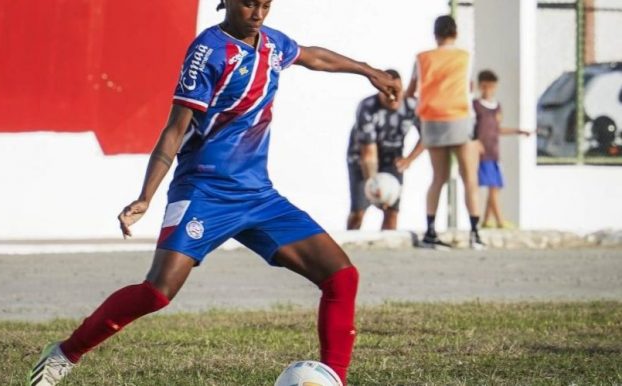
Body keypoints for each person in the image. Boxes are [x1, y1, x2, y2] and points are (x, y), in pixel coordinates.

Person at [28, 1, 399, 385]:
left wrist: (369, 71)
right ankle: (62, 355)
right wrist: (146, 196)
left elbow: (313, 57)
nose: (257, 13)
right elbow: (174, 130)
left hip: (257, 195)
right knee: (158, 291)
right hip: (204, 191)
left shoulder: (273, 45)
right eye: (248, 4)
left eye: (265, 5)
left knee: (341, 276)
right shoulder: (208, 51)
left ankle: (333, 380)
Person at [405, 15, 484, 250]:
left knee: (438, 177)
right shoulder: (466, 57)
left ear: (435, 34)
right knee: (469, 178)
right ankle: (475, 234)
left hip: (432, 119)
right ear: (455, 33)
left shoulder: (422, 58)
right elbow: (470, 87)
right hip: (460, 117)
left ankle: (430, 232)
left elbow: (411, 90)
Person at [346, 69, 424, 231]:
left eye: (398, 91)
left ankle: (388, 250)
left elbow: (428, 135)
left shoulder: (413, 106)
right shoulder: (367, 107)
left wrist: (409, 159)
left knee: (392, 210)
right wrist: (374, 184)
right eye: (389, 91)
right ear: (380, 90)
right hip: (361, 160)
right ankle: (349, 246)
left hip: (393, 160)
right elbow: (369, 153)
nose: (393, 96)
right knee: (358, 211)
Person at [473, 70, 531, 228]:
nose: (487, 90)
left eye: (491, 87)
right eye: (484, 86)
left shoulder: (497, 107)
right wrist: (475, 142)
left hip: (494, 152)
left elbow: (497, 128)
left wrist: (518, 131)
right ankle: (499, 220)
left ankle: (486, 220)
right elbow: (471, 128)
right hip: (481, 153)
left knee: (496, 186)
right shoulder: (475, 106)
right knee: (493, 186)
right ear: (480, 86)